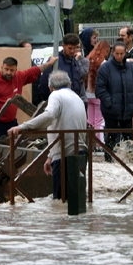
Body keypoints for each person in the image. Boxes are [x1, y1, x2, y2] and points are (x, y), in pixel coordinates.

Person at [8, 70, 88, 206]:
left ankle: (61, 228)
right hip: (80, 153)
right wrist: (51, 155)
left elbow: (50, 115)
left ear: (50, 88)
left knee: (60, 203)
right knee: (76, 204)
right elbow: (63, 124)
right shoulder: (76, 97)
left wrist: (23, 127)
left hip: (65, 156)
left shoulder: (56, 95)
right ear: (69, 84)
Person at [0, 55, 57, 142]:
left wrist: (50, 63)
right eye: (6, 69)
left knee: (15, 145)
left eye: (12, 70)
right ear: (2, 68)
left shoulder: (19, 77)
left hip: (11, 122)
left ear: (16, 70)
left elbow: (35, 70)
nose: (9, 72)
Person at [96, 42, 133, 159]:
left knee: (129, 139)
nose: (119, 56)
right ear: (112, 53)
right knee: (111, 138)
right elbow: (100, 89)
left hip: (128, 108)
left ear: (125, 53)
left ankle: (131, 161)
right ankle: (109, 160)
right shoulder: (105, 68)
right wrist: (110, 103)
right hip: (111, 110)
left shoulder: (131, 68)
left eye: (122, 53)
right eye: (117, 53)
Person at [38, 33, 85, 102]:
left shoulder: (75, 60)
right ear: (63, 46)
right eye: (70, 48)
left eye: (74, 48)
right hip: (58, 102)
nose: (72, 51)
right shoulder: (55, 61)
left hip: (73, 100)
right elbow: (44, 82)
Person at [85, 40, 111, 143]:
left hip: (87, 95)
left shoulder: (88, 59)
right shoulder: (103, 63)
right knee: (99, 121)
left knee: (90, 121)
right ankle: (100, 144)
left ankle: (90, 143)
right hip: (98, 95)